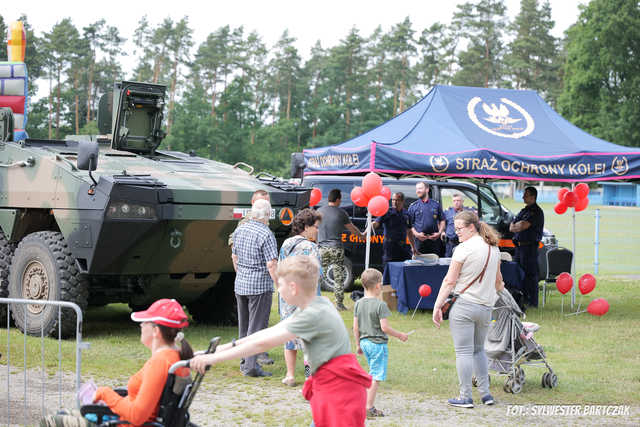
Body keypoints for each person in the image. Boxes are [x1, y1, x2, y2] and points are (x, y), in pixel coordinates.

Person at [190, 255, 372, 427]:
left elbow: (263, 344)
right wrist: (216, 350)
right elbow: (264, 334)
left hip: (340, 394)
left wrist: (211, 360)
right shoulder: (317, 304)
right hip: (335, 390)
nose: (278, 289)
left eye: (280, 284)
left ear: (293, 287)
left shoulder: (312, 314)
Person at [39, 299, 192, 427]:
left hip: (124, 423)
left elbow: (137, 415)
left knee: (50, 421)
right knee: (65, 414)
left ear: (156, 331)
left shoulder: (160, 362)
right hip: (123, 417)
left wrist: (105, 394)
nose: (140, 325)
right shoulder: (176, 358)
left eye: (144, 322)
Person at [432, 211, 504, 408]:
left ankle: (465, 396)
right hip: (485, 308)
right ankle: (486, 394)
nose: (457, 233)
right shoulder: (493, 248)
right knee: (479, 350)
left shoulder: (463, 249)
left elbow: (449, 281)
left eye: (459, 229)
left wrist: (437, 305)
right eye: (455, 229)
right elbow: (499, 283)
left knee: (463, 352)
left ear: (472, 227)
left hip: (464, 305)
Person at [353, 268, 409, 419]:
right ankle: (368, 407)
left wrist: (358, 345)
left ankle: (363, 402)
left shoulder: (358, 303)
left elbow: (355, 327)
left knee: (372, 372)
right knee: (376, 375)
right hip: (377, 344)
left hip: (364, 343)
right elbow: (384, 327)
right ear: (378, 286)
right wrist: (400, 335)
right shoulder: (380, 305)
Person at [232, 198, 278, 377]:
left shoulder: (240, 229)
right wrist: (279, 284)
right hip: (259, 286)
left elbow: (234, 257)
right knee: (256, 327)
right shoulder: (266, 234)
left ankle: (244, 362)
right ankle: (251, 366)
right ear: (267, 215)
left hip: (241, 284)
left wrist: (242, 275)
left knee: (244, 327)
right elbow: (271, 264)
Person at [278, 208, 323, 386]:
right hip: (306, 298)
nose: (317, 231)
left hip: (288, 296)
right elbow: (317, 274)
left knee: (289, 336)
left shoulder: (286, 244)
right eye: (316, 227)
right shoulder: (311, 247)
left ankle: (289, 375)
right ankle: (308, 376)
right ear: (306, 227)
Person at [318, 188, 365, 311]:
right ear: (338, 199)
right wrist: (361, 236)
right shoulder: (341, 213)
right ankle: (339, 304)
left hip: (321, 248)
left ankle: (313, 301)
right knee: (338, 277)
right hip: (336, 248)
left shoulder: (319, 211)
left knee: (317, 275)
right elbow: (352, 229)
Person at [509, 186, 544, 308]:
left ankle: (532, 302)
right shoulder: (524, 211)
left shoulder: (536, 212)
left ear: (533, 197)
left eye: (526, 195)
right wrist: (516, 225)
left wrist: (517, 225)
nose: (523, 197)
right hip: (519, 248)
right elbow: (511, 226)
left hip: (529, 248)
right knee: (518, 273)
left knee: (530, 275)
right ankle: (521, 299)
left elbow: (522, 225)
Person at [372, 192, 416, 269]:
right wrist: (367, 230)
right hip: (390, 246)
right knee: (388, 267)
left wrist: (413, 247)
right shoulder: (386, 212)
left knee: (404, 267)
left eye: (397, 200)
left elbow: (409, 231)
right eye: (393, 200)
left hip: (402, 246)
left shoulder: (406, 214)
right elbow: (376, 224)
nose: (394, 202)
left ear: (402, 202)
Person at [408, 182, 445, 256]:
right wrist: (417, 234)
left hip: (434, 242)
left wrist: (439, 233)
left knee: (435, 265)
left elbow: (442, 220)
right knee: (420, 265)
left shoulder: (436, 204)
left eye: (420, 188)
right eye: (417, 189)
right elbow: (409, 225)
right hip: (419, 242)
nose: (417, 191)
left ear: (427, 189)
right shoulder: (413, 206)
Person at [442, 192, 474, 257]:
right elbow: (442, 222)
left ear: (462, 201)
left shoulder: (468, 212)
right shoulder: (447, 212)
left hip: (464, 243)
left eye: (458, 200)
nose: (456, 202)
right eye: (454, 201)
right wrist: (442, 231)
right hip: (451, 242)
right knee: (448, 261)